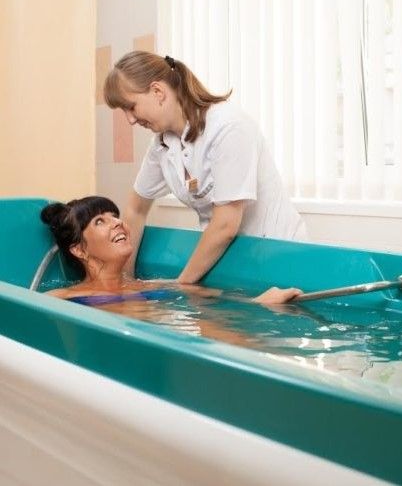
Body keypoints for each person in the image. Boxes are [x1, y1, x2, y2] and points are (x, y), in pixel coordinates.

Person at [103, 51, 306, 284]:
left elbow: (226, 224)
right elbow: (135, 211)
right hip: (227, 260)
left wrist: (181, 284)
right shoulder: (162, 144)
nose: (130, 120)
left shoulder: (228, 127)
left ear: (158, 91)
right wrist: (125, 281)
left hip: (276, 256)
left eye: (131, 107)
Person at [39, 196, 302, 307]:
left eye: (114, 216)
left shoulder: (157, 287)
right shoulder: (62, 299)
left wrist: (262, 303)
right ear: (79, 249)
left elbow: (223, 305)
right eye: (100, 221)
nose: (117, 222)